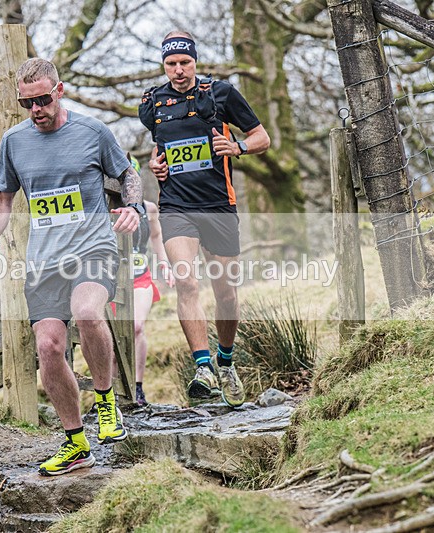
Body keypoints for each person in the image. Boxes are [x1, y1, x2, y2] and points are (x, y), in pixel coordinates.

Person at [0, 58, 144, 476]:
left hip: (93, 248)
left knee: (88, 312)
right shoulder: (13, 142)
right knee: (48, 346)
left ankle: (105, 403)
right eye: (26, 103)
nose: (36, 110)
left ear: (59, 90)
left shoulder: (91, 132)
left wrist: (134, 206)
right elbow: (1, 199)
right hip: (45, 261)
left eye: (43, 100)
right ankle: (75, 443)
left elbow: (128, 174)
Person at [138, 31, 271, 407]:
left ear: (195, 62)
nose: (178, 71)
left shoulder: (221, 94)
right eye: (171, 65)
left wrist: (238, 146)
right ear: (163, 65)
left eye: (185, 63)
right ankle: (203, 368)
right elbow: (162, 140)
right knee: (186, 283)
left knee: (226, 292)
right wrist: (155, 161)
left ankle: (225, 362)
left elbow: (262, 137)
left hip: (218, 204)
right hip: (176, 206)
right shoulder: (152, 102)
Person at [121, 155, 175, 407]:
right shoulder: (106, 207)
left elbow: (156, 237)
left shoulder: (149, 208)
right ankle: (113, 392)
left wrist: (164, 262)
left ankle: (139, 387)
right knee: (113, 338)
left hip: (140, 277)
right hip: (111, 282)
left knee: (136, 327)